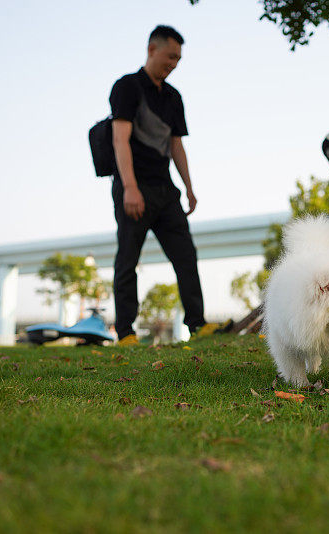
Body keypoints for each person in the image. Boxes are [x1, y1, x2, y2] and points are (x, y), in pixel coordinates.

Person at [109, 25, 214, 345]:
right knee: (128, 258)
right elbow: (120, 139)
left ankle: (197, 324)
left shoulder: (173, 97)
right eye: (170, 56)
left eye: (179, 59)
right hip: (134, 188)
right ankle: (125, 332)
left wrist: (190, 187)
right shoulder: (127, 86)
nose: (174, 63)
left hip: (165, 191)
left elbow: (176, 145)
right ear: (152, 50)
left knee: (186, 255)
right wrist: (129, 187)